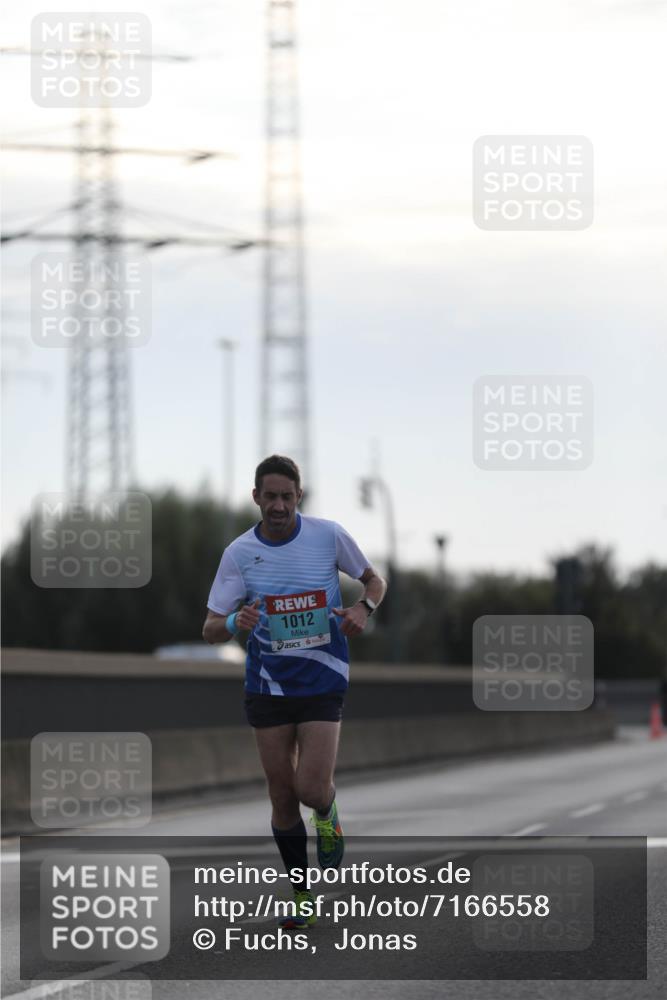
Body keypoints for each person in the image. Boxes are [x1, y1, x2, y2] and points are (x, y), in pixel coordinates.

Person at [203, 454, 387, 929]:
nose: (279, 505)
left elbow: (374, 580)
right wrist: (231, 620)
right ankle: (303, 898)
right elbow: (208, 630)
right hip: (268, 685)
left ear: (298, 497)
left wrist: (363, 608)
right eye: (271, 496)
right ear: (256, 498)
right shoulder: (239, 553)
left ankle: (327, 811)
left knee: (309, 789)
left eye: (287, 496)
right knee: (282, 797)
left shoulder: (328, 535)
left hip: (323, 678)